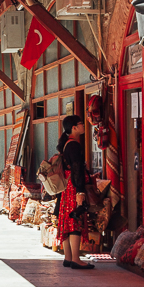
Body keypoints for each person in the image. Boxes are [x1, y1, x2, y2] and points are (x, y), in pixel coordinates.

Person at [56, 115, 94, 270]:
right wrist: (80, 191)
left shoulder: (67, 144)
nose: (83, 126)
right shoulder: (74, 145)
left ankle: (68, 257)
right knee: (75, 221)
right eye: (80, 124)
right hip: (73, 187)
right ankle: (76, 259)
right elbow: (77, 168)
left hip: (67, 187)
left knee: (67, 220)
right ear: (74, 128)